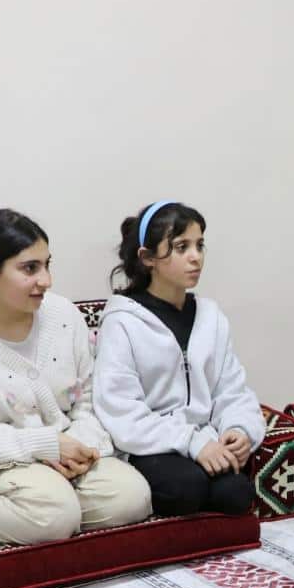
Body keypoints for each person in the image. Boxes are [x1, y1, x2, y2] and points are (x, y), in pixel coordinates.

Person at [0, 209, 152, 544]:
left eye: (47, 265)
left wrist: (80, 447)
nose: (46, 280)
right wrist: (45, 446)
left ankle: (49, 512)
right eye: (30, 269)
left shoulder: (63, 315)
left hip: (65, 451)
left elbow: (90, 398)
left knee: (132, 498)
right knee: (54, 514)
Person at [94, 200, 263, 516]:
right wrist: (192, 443)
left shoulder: (211, 317)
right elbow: (120, 410)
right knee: (185, 488)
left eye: (200, 245)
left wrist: (239, 429)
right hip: (150, 445)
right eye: (181, 247)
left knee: (236, 492)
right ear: (147, 258)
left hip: (205, 439)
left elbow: (231, 389)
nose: (196, 257)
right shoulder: (122, 322)